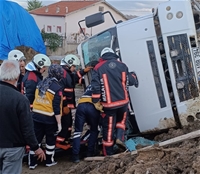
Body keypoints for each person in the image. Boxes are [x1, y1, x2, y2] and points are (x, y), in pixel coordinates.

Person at [91, 47, 138, 156]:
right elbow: (130, 80)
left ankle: (108, 153)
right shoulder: (122, 65)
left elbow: (95, 86)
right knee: (121, 122)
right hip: (123, 103)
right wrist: (133, 76)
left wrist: (95, 101)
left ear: (102, 57)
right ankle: (120, 138)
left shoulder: (98, 67)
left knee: (109, 129)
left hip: (109, 106)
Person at [0, 60, 45, 174]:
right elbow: (27, 128)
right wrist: (36, 148)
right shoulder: (20, 99)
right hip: (13, 148)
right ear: (17, 76)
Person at [29, 64, 64, 169]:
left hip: (36, 116)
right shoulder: (57, 88)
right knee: (50, 140)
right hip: (49, 118)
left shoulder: (40, 83)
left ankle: (32, 163)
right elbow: (56, 107)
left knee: (36, 140)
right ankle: (49, 161)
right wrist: (59, 123)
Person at [56, 54, 93, 149]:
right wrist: (64, 106)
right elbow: (60, 91)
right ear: (69, 65)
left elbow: (74, 78)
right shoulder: (62, 74)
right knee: (65, 123)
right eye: (74, 66)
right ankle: (59, 142)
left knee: (68, 124)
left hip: (67, 105)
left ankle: (65, 139)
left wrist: (83, 71)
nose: (74, 68)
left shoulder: (66, 73)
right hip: (64, 106)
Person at [72, 84, 101, 162]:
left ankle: (75, 156)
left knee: (77, 132)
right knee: (94, 130)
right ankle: (90, 153)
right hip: (93, 107)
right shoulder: (104, 83)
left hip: (81, 106)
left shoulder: (91, 84)